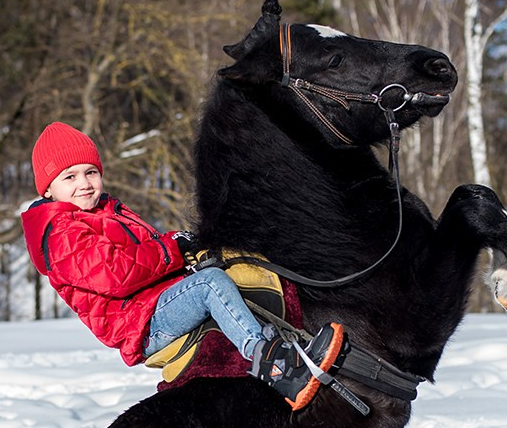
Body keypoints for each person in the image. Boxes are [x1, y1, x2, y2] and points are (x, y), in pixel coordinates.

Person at [21, 122, 345, 411]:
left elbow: (149, 248)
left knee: (235, 265)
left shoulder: (107, 211)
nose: (85, 183)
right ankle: (273, 364)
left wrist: (189, 246)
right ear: (48, 189)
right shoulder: (59, 232)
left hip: (153, 304)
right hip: (140, 324)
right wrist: (173, 249)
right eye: (70, 177)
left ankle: (293, 336)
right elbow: (114, 274)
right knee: (210, 285)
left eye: (90, 172)